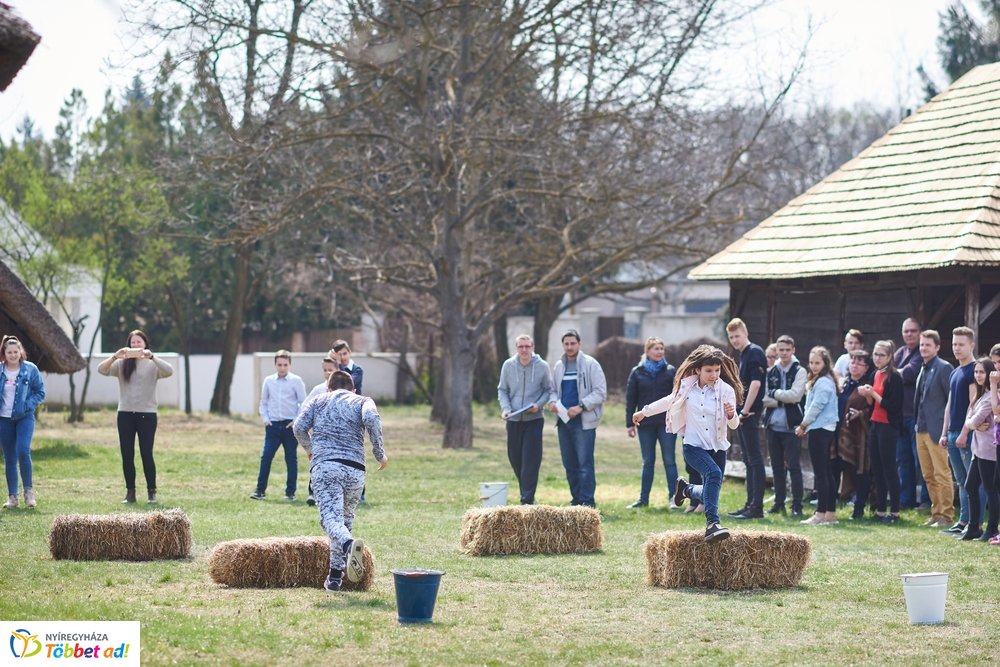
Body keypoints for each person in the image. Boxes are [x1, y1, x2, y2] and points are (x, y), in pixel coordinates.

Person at [633, 345, 743, 543]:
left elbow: (734, 424)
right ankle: (712, 524)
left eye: (717, 370)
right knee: (714, 474)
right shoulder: (687, 387)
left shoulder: (726, 391)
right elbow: (669, 401)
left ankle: (686, 490)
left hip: (717, 446)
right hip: (693, 445)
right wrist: (644, 412)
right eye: (709, 371)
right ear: (698, 370)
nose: (714, 375)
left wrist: (731, 413)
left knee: (712, 488)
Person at [293, 370, 387, 591]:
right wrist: (379, 453)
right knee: (344, 520)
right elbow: (372, 418)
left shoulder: (318, 400)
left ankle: (347, 544)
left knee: (330, 521)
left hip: (326, 467)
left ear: (329, 388)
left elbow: (298, 427)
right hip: (356, 470)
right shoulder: (363, 400)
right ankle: (334, 578)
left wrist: (310, 449)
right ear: (353, 389)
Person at [97, 329, 174, 504]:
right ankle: (130, 492)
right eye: (133, 342)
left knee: (146, 453)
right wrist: (115, 356)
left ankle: (151, 491)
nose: (136, 345)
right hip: (125, 414)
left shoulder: (153, 364)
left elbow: (169, 371)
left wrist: (152, 357)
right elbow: (101, 369)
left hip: (147, 414)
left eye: (139, 342)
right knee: (127, 454)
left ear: (145, 344)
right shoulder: (122, 364)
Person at [547, 329, 607, 508]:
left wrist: (581, 407)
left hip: (584, 422)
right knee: (569, 464)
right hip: (563, 422)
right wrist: (552, 402)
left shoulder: (591, 364)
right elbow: (553, 391)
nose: (569, 347)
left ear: (579, 344)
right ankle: (575, 501)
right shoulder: (559, 366)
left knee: (584, 464)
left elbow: (600, 392)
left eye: (573, 343)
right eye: (566, 344)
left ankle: (587, 502)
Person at [938, 326, 984, 535]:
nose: (956, 348)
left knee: (974, 481)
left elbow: (973, 403)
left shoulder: (974, 370)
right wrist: (944, 432)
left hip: (968, 433)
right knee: (961, 481)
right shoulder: (955, 371)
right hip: (953, 432)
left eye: (961, 344)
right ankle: (964, 521)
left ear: (971, 345)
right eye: (954, 344)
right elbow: (949, 404)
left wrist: (965, 431)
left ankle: (976, 523)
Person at [498, 335, 552, 505]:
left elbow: (548, 390)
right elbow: (502, 390)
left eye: (527, 346)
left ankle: (526, 500)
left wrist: (539, 405)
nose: (524, 350)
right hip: (513, 420)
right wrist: (506, 409)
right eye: (521, 346)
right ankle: (526, 493)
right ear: (516, 348)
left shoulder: (542, 367)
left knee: (530, 460)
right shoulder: (508, 365)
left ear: (533, 347)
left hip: (534, 420)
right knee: (515, 459)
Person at [624, 337, 678, 508]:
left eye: (661, 348)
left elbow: (677, 397)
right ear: (647, 351)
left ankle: (674, 499)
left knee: (669, 461)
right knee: (648, 461)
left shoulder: (671, 371)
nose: (659, 351)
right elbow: (631, 399)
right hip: (645, 425)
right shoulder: (637, 372)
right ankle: (643, 499)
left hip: (666, 424)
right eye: (656, 348)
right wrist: (629, 424)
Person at [725, 318, 767, 520]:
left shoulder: (755, 352)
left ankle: (757, 507)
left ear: (746, 333)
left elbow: (756, 385)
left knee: (755, 459)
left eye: (737, 336)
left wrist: (744, 411)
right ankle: (749, 504)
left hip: (749, 414)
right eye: (731, 337)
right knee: (748, 460)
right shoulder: (743, 354)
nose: (734, 340)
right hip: (742, 414)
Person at [251, 350, 307, 501]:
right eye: (279, 364)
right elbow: (263, 402)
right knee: (266, 456)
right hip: (273, 425)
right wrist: (266, 419)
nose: (282, 368)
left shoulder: (296, 380)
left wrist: (295, 420)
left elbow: (303, 402)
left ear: (290, 365)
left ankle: (290, 492)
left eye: (285, 365)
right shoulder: (269, 381)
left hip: (290, 426)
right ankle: (260, 490)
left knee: (291, 458)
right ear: (275, 365)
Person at [858, 340, 903, 523]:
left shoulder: (894, 377)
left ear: (890, 357)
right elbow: (872, 405)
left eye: (881, 355)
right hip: (875, 424)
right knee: (876, 469)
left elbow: (894, 406)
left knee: (889, 468)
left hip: (888, 426)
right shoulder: (875, 374)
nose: (877, 358)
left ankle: (895, 512)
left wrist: (874, 394)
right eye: (875, 354)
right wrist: (867, 395)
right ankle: (881, 510)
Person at [794, 346, 841, 525]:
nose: (813, 366)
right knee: (826, 472)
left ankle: (820, 513)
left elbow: (816, 407)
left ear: (825, 363)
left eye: (817, 363)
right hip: (823, 428)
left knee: (821, 473)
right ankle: (830, 513)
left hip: (820, 428)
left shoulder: (823, 382)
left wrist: (803, 425)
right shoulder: (823, 380)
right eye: (812, 362)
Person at [762, 335, 807, 516]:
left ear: (793, 350)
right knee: (777, 467)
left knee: (794, 466)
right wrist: (782, 399)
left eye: (788, 350)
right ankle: (778, 502)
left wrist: (775, 394)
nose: (784, 353)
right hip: (773, 426)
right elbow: (764, 398)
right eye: (781, 350)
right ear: (777, 351)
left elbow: (796, 396)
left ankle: (797, 505)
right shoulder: (771, 371)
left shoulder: (800, 371)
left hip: (792, 426)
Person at [913, 330, 954, 528]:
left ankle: (946, 516)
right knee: (928, 475)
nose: (923, 348)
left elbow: (951, 401)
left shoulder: (944, 367)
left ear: (937, 347)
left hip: (937, 429)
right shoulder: (924, 367)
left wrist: (946, 429)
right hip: (920, 428)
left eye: (928, 345)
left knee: (941, 473)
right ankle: (936, 513)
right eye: (921, 345)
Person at [955, 357, 998, 541]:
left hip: (989, 450)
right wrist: (972, 424)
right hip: (977, 449)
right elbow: (969, 418)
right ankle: (974, 527)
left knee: (990, 490)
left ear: (989, 373)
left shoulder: (991, 397)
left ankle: (991, 528)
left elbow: (973, 420)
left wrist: (972, 424)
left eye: (982, 372)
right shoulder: (979, 395)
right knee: (970, 486)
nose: (978, 375)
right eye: (976, 372)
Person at [0, 335, 45, 509]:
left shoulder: (30, 369)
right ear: (4, 353)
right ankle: (13, 497)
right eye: (9, 352)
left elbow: (40, 392)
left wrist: (28, 404)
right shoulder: (0, 370)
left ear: (20, 352)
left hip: (24, 417)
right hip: (4, 420)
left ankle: (28, 493)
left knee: (23, 451)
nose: (12, 355)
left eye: (15, 351)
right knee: (9, 457)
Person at [894, 318, 928, 510]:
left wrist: (892, 372)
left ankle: (925, 500)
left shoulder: (921, 352)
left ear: (920, 331)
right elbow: (887, 371)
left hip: (916, 416)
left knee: (920, 460)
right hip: (900, 415)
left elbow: (909, 374)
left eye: (913, 331)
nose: (909, 334)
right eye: (906, 331)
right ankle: (905, 501)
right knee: (903, 460)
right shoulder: (900, 352)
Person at [839, 350, 874, 519]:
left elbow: (873, 408)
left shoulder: (867, 386)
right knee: (842, 468)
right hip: (842, 434)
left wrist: (861, 414)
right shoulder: (844, 383)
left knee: (861, 471)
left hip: (861, 435)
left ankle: (859, 509)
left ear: (866, 367)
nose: (854, 365)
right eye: (852, 362)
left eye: (859, 363)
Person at [304, 356, 339, 506]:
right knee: (318, 463)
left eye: (330, 370)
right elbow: (305, 408)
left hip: (338, 435)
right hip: (320, 435)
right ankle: (313, 492)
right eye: (325, 370)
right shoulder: (318, 390)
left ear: (336, 370)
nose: (327, 373)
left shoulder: (342, 390)